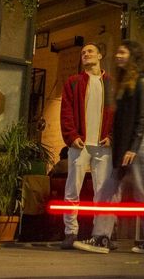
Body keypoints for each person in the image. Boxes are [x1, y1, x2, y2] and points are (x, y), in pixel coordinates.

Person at [87, 40, 144, 254]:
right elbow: (121, 122)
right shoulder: (122, 85)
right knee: (109, 189)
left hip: (140, 142)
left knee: (142, 190)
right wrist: (118, 147)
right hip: (125, 144)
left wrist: (133, 148)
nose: (118, 56)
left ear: (133, 55)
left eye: (122, 52)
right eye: (117, 52)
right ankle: (101, 237)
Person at [59, 43, 114, 251]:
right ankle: (70, 233)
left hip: (103, 146)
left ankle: (100, 235)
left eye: (90, 51)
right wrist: (71, 136)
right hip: (79, 144)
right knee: (72, 189)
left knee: (102, 192)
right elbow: (66, 112)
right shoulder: (73, 82)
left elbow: (117, 115)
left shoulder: (110, 84)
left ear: (100, 55)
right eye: (83, 53)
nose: (86, 54)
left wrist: (112, 137)